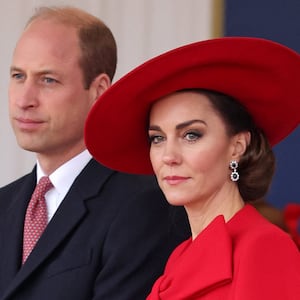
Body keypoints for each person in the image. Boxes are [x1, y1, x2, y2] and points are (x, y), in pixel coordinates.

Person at [85, 37, 300, 299]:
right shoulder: (180, 255)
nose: (169, 156)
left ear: (237, 146)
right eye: (158, 138)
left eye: (191, 135)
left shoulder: (265, 247)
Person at [0, 6, 190, 300]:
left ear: (100, 89)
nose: (25, 99)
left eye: (48, 80)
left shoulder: (144, 205)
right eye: (18, 76)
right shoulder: (4, 204)